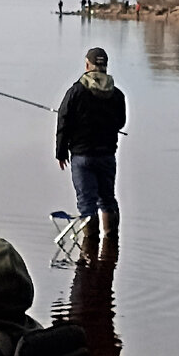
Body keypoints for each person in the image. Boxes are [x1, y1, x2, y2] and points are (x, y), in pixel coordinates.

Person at [56, 47, 127, 235]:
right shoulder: (117, 95)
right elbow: (121, 122)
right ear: (105, 66)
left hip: (82, 156)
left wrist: (61, 152)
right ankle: (111, 246)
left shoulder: (76, 91)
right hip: (107, 155)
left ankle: (90, 252)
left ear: (87, 65)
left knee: (87, 206)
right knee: (107, 201)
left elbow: (63, 120)